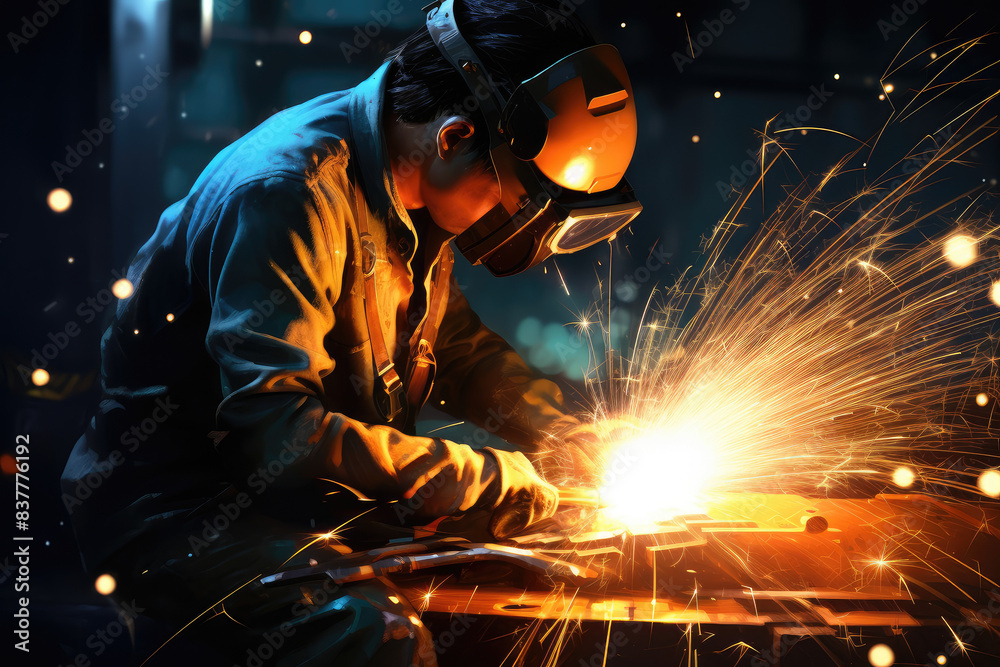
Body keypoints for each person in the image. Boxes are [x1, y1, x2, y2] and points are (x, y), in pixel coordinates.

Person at [61, 0, 640, 664]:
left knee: (527, 575)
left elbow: (454, 349)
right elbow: (275, 432)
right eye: (512, 197)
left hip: (303, 505)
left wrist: (566, 431)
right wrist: (473, 473)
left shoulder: (409, 185)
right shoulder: (287, 194)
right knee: (374, 634)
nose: (507, 221)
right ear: (454, 136)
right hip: (178, 512)